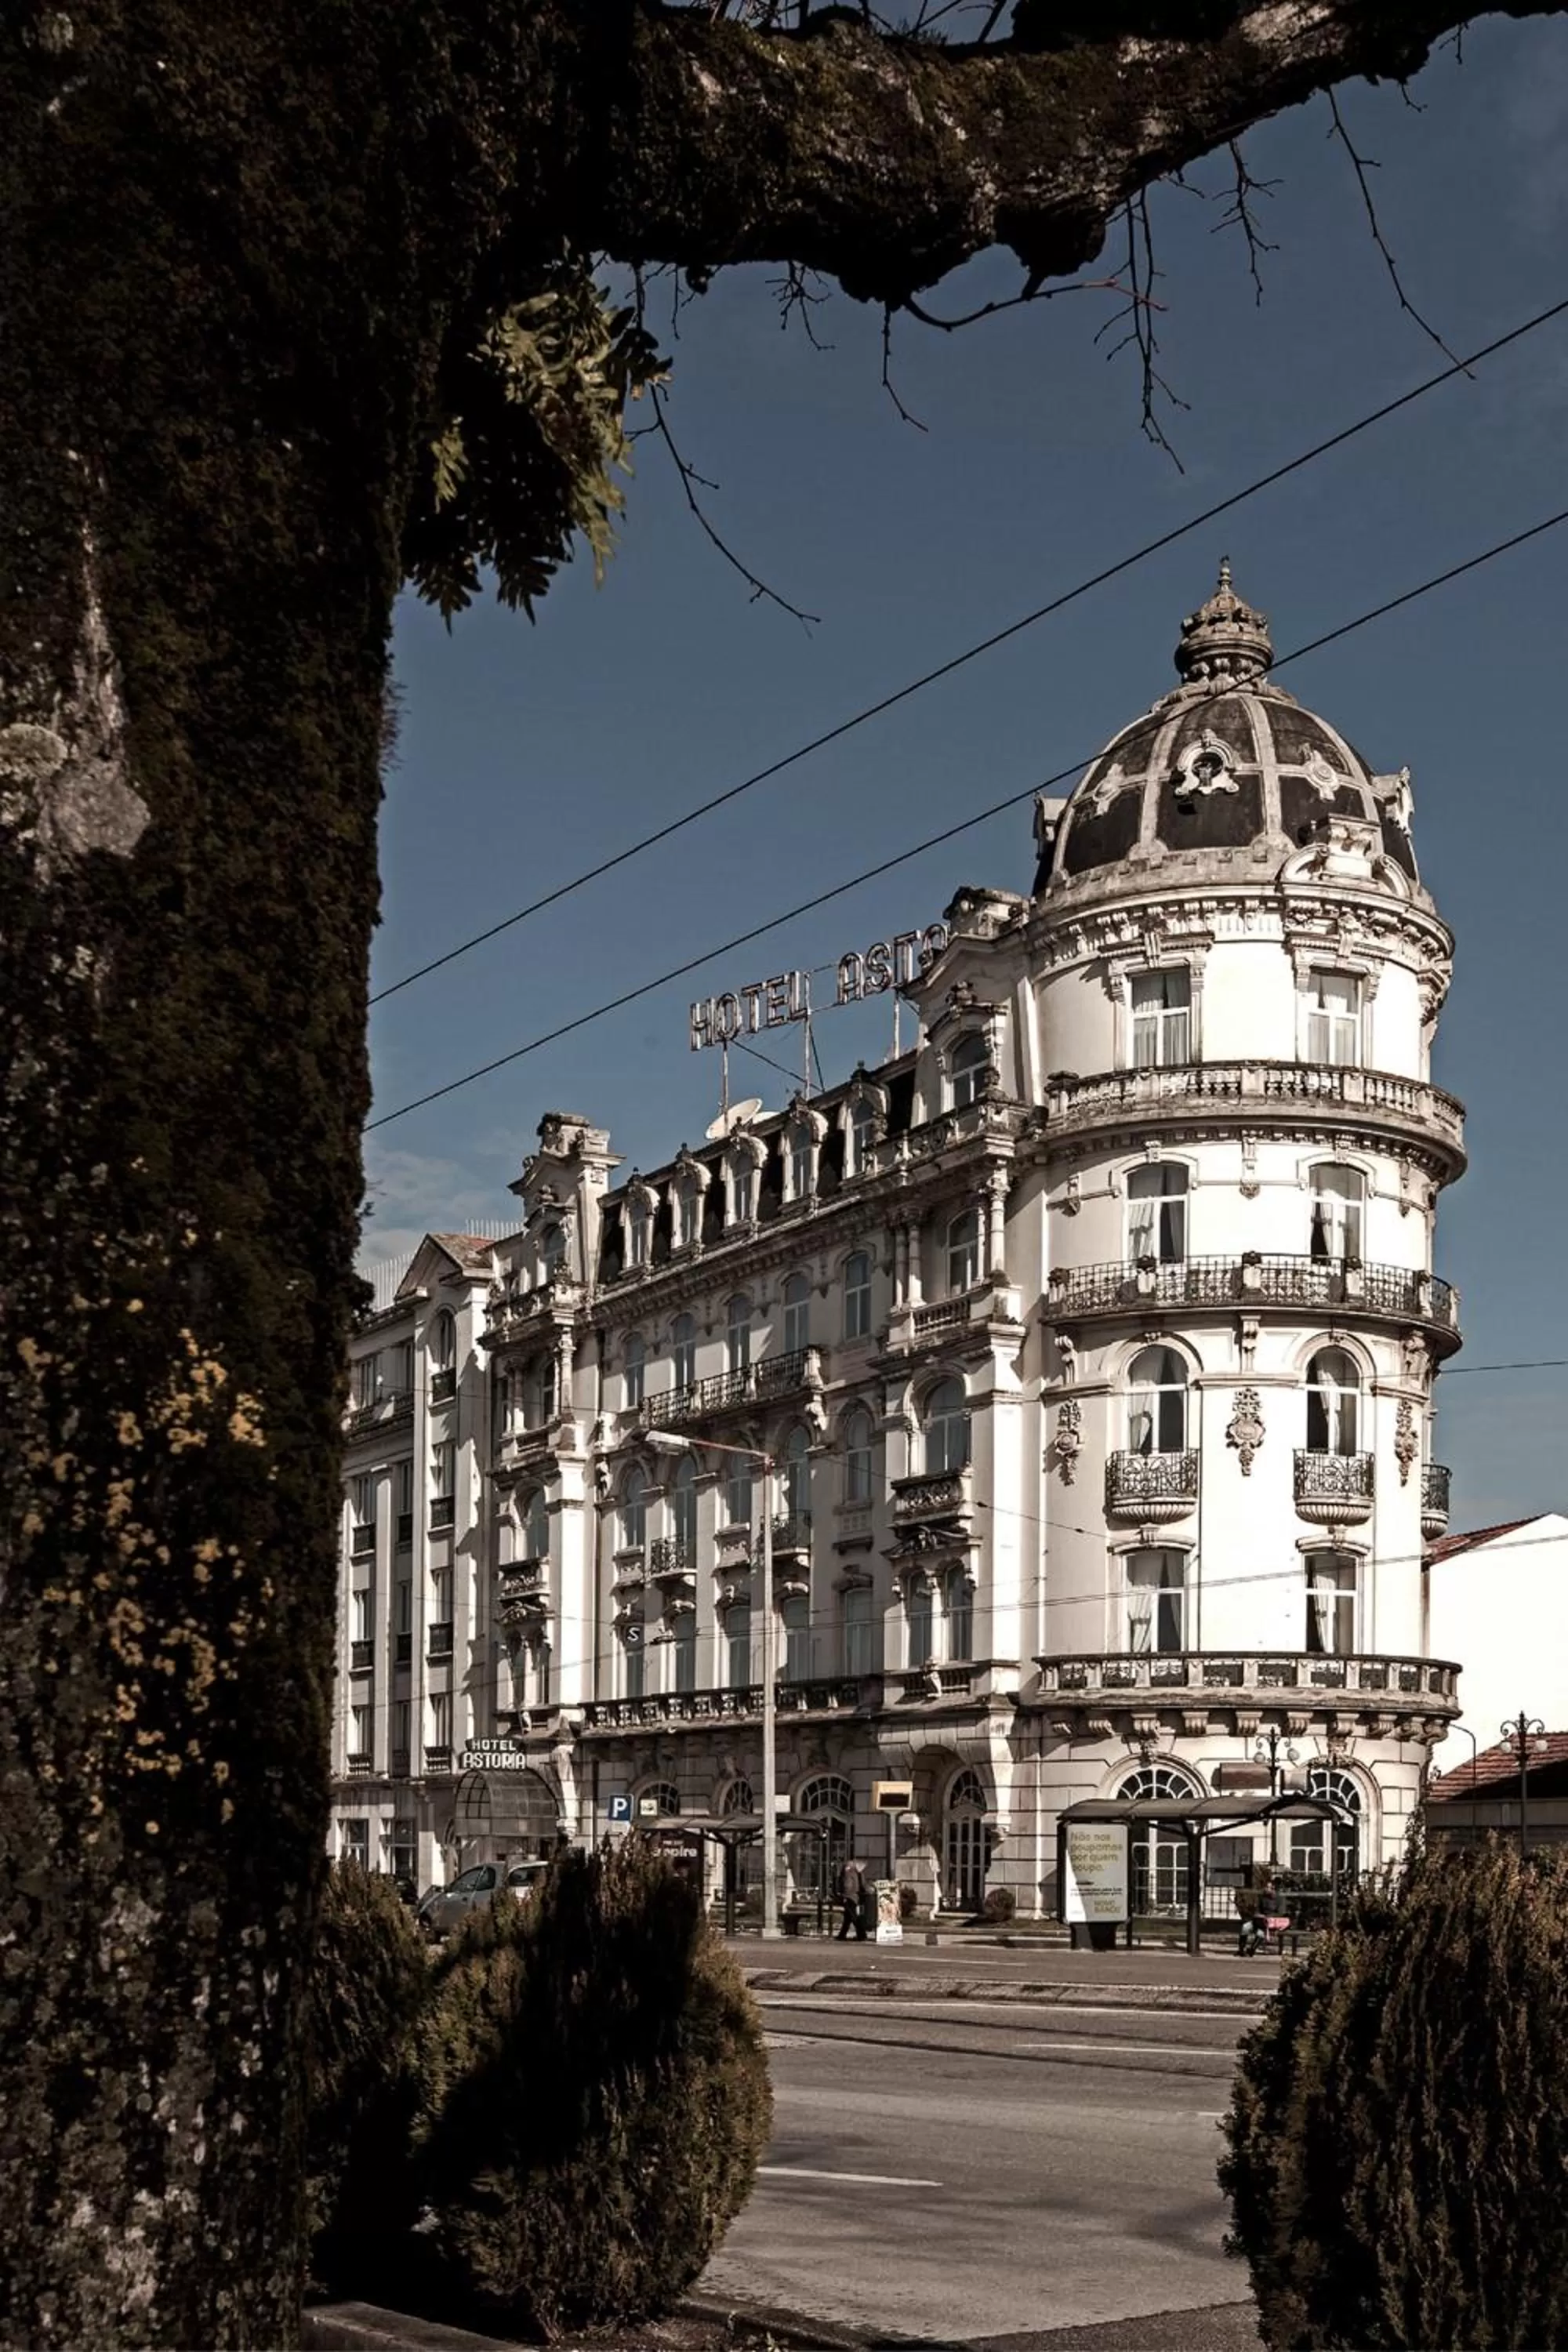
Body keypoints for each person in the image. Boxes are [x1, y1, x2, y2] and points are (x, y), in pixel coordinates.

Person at [837, 1856, 869, 1941]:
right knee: (848, 1916)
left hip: (849, 1896)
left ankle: (862, 1935)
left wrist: (844, 1894)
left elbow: (847, 1883)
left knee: (853, 1916)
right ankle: (842, 1935)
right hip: (854, 1896)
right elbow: (863, 1883)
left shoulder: (848, 1869)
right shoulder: (857, 1870)